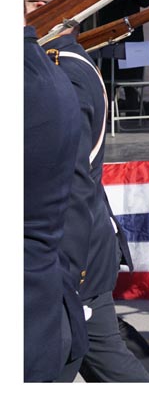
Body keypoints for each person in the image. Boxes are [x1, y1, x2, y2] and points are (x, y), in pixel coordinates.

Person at [25, 0, 149, 382]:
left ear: (48, 10)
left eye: (26, 7)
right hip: (76, 242)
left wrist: (61, 265)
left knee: (82, 356)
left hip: (72, 247)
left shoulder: (64, 73)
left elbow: (60, 181)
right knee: (104, 352)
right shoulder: (52, 65)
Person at [24, 23, 89, 382]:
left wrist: (74, 270)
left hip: (49, 277)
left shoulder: (60, 73)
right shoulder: (46, 71)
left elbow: (80, 183)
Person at [97, 0, 149, 112]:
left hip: (133, 40)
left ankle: (134, 115)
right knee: (110, 82)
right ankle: (108, 115)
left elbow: (146, 1)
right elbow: (108, 6)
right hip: (112, 39)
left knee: (132, 83)